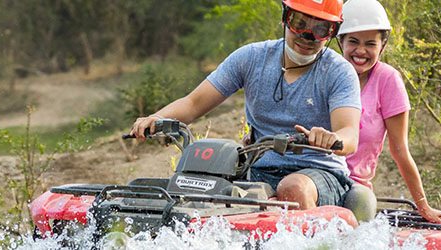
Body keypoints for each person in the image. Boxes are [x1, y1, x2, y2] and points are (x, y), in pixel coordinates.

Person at [130, 0, 361, 210]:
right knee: (200, 192)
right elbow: (193, 103)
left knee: (293, 188)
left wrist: (331, 138)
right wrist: (156, 118)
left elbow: (349, 135)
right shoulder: (251, 58)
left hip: (320, 173)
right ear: (285, 17)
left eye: (321, 29)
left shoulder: (339, 72)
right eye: (299, 23)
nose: (308, 36)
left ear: (333, 32)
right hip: (258, 169)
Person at [336, 0, 441, 223]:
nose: (361, 51)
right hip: (314, 176)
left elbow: (400, 150)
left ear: (383, 45)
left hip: (352, 188)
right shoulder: (325, 71)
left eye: (370, 44)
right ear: (340, 40)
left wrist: (423, 206)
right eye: (353, 41)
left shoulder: (387, 80)